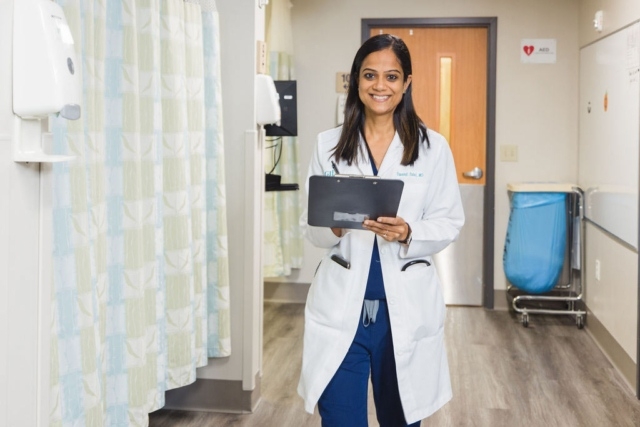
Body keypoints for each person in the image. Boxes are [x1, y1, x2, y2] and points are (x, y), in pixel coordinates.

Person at [298, 34, 465, 426]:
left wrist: (409, 231)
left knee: (401, 420)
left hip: (403, 311)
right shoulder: (328, 145)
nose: (380, 86)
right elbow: (309, 227)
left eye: (392, 76)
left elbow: (449, 221)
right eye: (370, 75)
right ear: (356, 80)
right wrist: (335, 226)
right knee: (339, 419)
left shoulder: (432, 148)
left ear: (406, 83)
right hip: (342, 309)